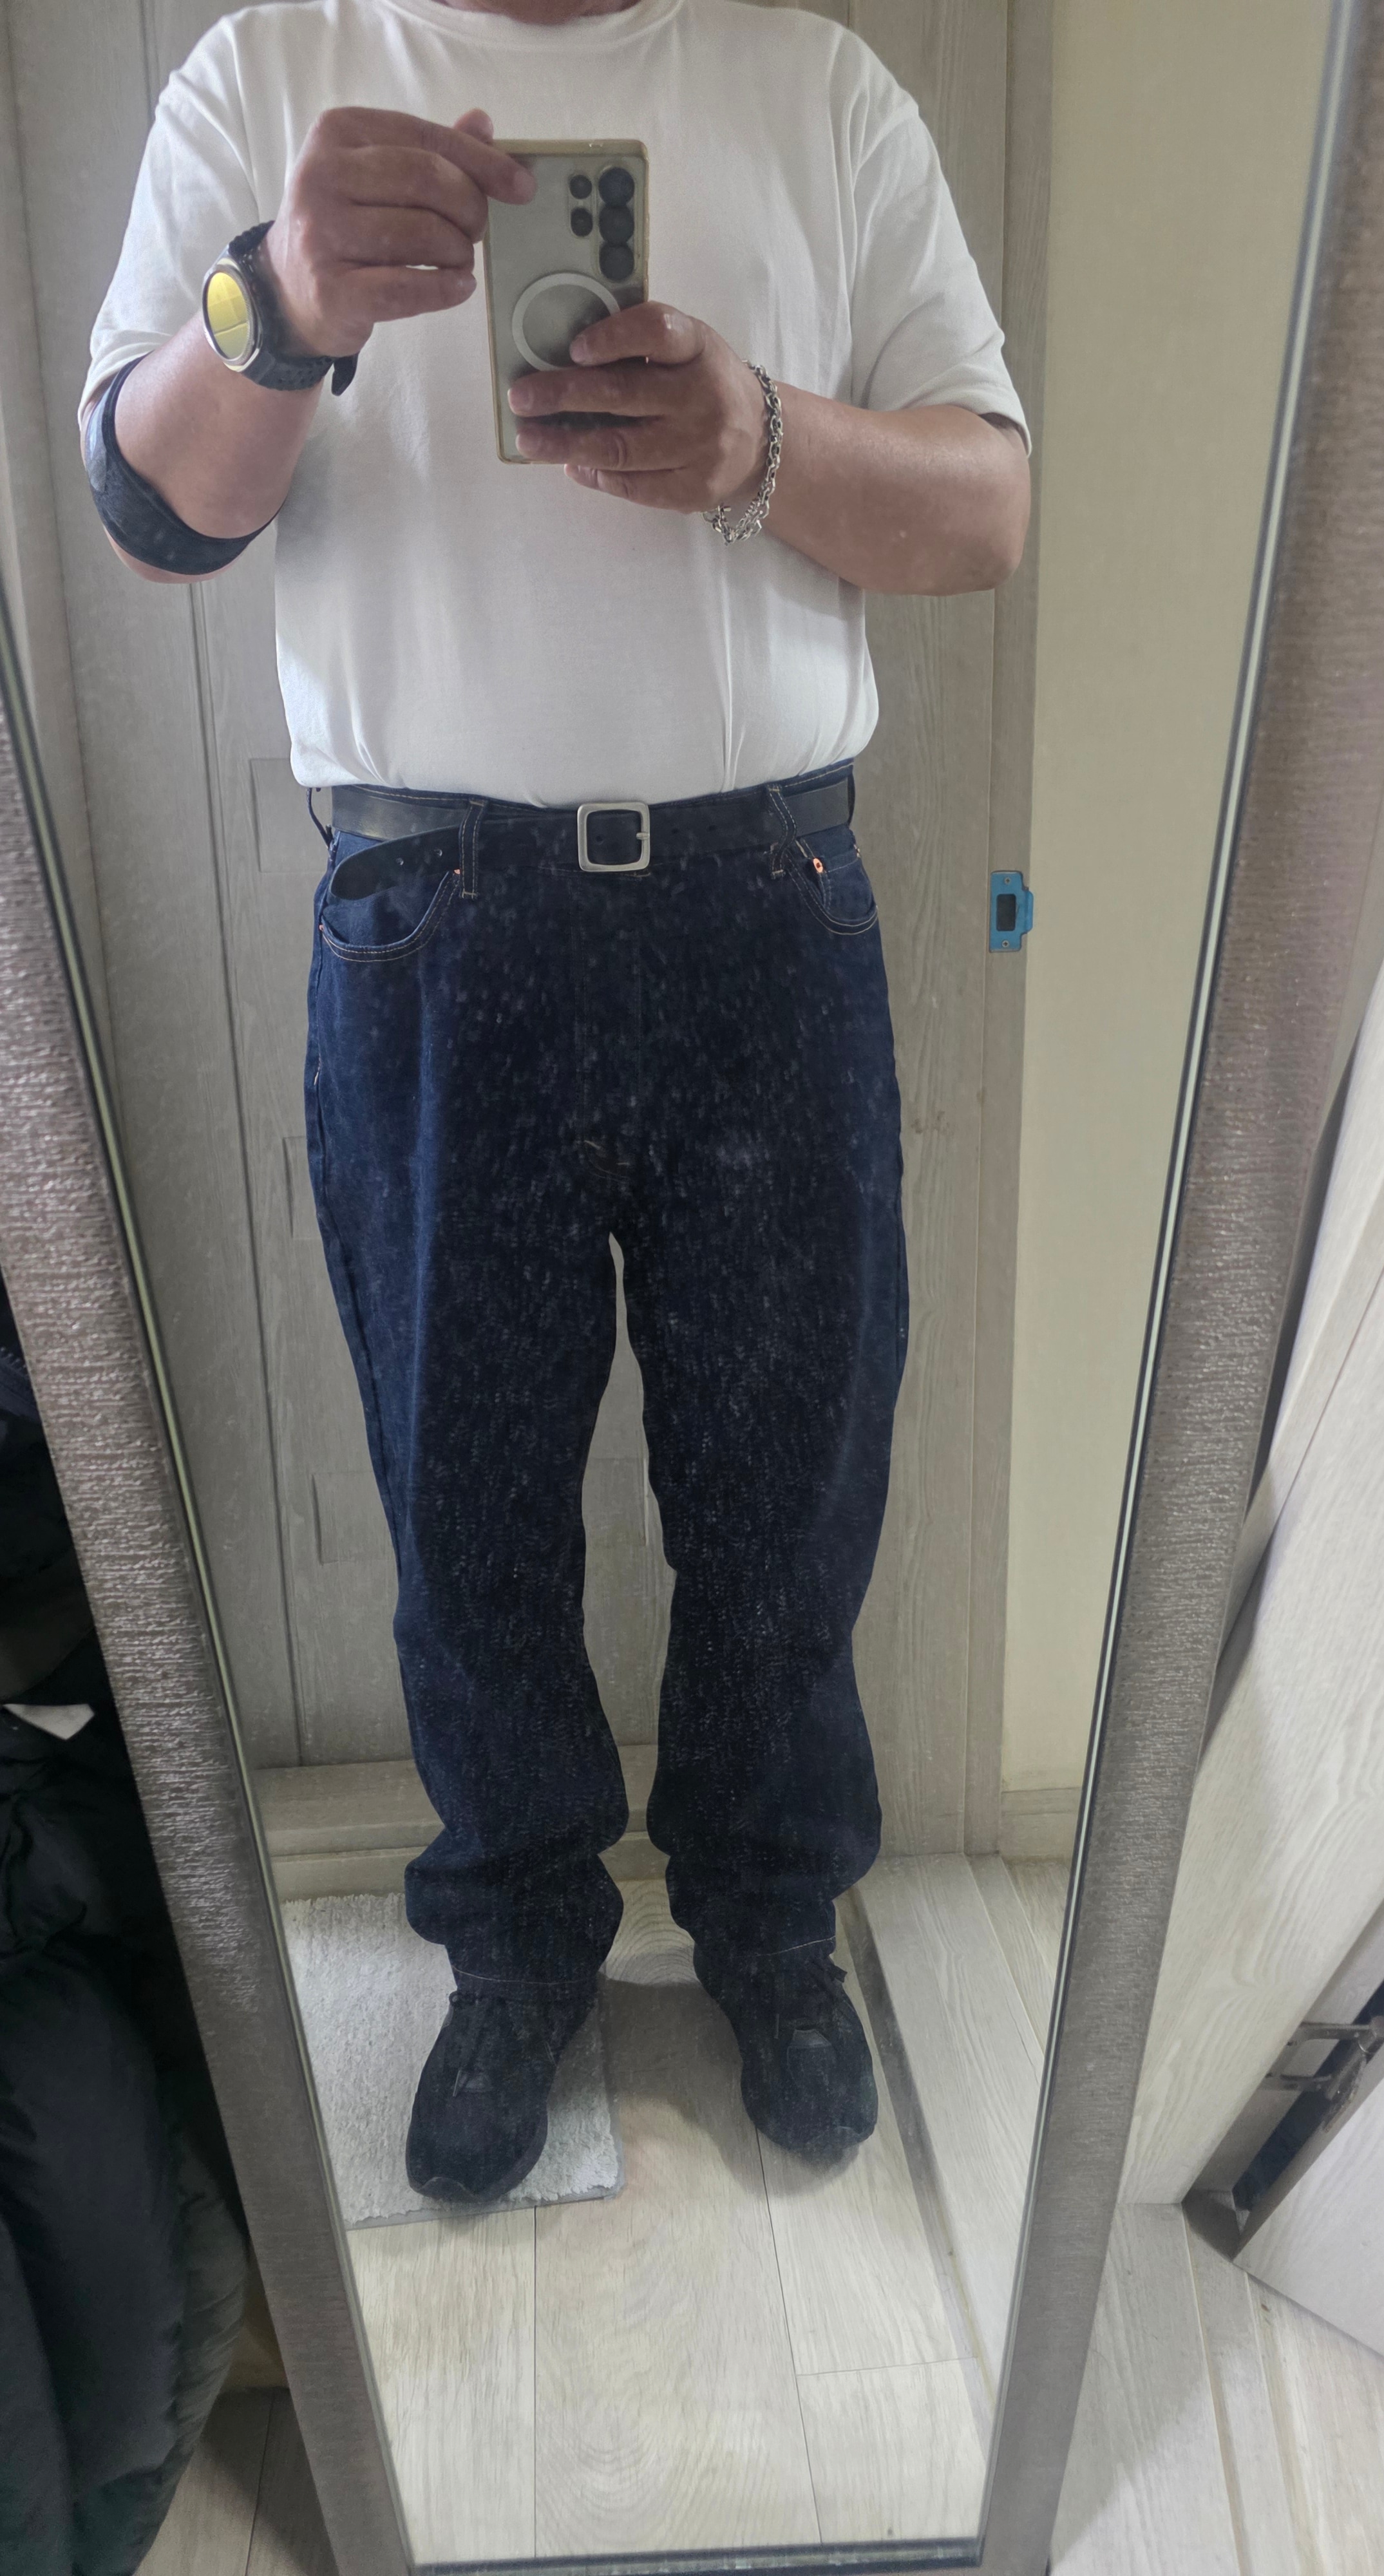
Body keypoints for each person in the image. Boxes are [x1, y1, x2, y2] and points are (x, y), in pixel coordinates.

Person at [82, 0, 1030, 2204]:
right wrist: (282, 298)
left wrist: (760, 441)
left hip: (763, 904)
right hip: (431, 918)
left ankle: (770, 1929)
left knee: (788, 1494)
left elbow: (985, 509)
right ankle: (515, 1946)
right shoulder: (264, 72)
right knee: (466, 1509)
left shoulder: (817, 84)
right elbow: (149, 512)